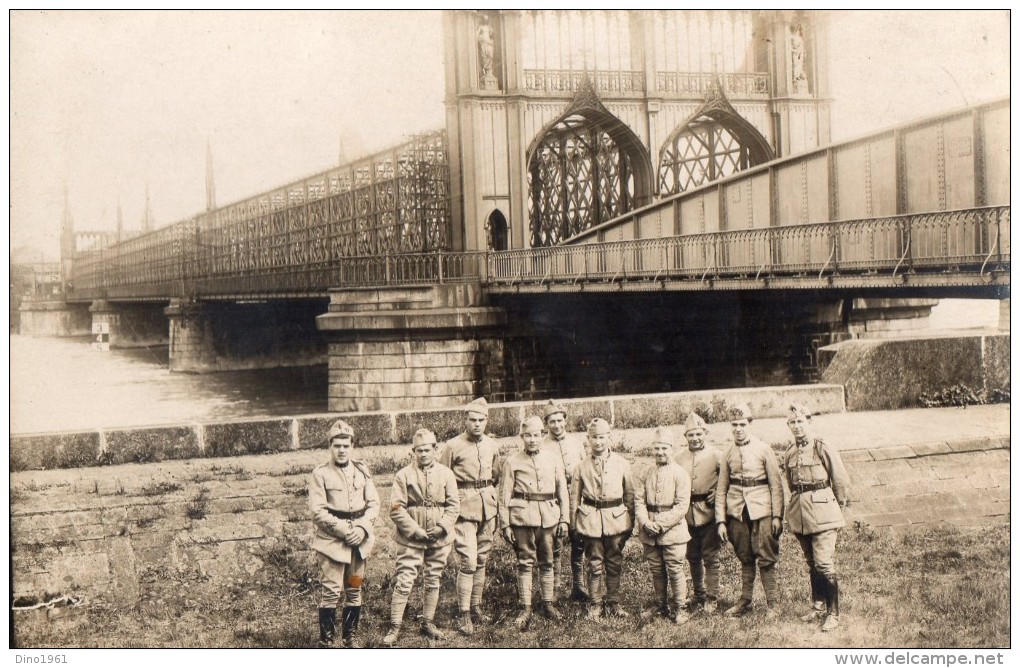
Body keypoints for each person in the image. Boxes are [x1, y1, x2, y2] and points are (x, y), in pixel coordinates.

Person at [382, 428, 460, 647]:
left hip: (438, 536)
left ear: (435, 449)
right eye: (419, 450)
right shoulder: (403, 475)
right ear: (413, 451)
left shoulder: (446, 474)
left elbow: (454, 505)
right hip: (411, 537)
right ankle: (395, 625)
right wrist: (415, 530)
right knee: (405, 579)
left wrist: (442, 526)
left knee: (433, 577)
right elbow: (396, 508)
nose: (424, 454)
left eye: (428, 450)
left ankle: (427, 622)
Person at [308, 419, 380, 648]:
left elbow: (374, 503)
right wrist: (345, 531)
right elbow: (317, 512)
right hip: (332, 542)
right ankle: (327, 642)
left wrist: (361, 528)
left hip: (359, 542)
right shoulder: (320, 474)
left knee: (355, 587)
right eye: (337, 445)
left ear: (352, 446)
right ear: (329, 446)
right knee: (330, 592)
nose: (341, 450)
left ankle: (350, 639)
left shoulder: (362, 470)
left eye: (346, 445)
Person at [782, 404, 851, 632]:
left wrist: (838, 508)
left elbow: (839, 478)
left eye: (800, 421)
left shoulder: (822, 446)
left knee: (824, 563)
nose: (797, 426)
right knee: (811, 563)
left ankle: (833, 613)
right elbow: (792, 484)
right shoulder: (790, 452)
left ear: (809, 422)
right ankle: (818, 605)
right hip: (801, 513)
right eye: (792, 422)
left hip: (824, 512)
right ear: (788, 425)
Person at [498, 415, 571, 629]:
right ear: (522, 437)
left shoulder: (553, 459)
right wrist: (505, 524)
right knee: (525, 562)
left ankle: (548, 603)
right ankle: (526, 606)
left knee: (547, 561)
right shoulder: (512, 462)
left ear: (542, 435)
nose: (532, 440)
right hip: (522, 518)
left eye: (536, 435)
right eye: (528, 435)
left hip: (549, 518)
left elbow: (562, 493)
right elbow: (504, 496)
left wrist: (564, 519)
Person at [438, 397, 501, 636]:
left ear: (487, 420)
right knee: (468, 561)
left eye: (481, 420)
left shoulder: (492, 446)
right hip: (463, 508)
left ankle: (475, 606)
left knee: (482, 559)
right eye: (472, 420)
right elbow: (443, 477)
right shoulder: (452, 446)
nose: (477, 424)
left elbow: (495, 475)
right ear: (465, 420)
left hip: (487, 506)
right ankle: (463, 613)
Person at [715, 404, 785, 617]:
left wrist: (776, 516)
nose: (738, 429)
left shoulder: (764, 449)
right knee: (745, 555)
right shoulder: (727, 452)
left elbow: (776, 485)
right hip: (737, 509)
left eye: (742, 424)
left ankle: (773, 604)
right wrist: (720, 521)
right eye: (734, 425)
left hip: (762, 509)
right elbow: (721, 488)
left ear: (750, 424)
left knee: (765, 554)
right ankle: (745, 600)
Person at [570, 417, 635, 619]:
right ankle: (595, 603)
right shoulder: (580, 467)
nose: (598, 442)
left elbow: (630, 495)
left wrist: (630, 522)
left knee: (614, 562)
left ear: (609, 437)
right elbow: (574, 497)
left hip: (616, 520)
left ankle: (613, 601)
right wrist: (574, 524)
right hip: (590, 521)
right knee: (594, 562)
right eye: (594, 438)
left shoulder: (622, 464)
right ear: (587, 439)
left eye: (602, 437)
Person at [634, 428, 692, 624]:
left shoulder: (680, 474)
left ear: (672, 449)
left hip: (673, 531)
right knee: (656, 569)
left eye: (664, 448)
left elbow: (682, 506)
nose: (660, 452)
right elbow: (639, 501)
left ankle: (680, 607)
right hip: (649, 530)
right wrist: (644, 522)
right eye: (657, 448)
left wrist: (659, 525)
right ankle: (661, 605)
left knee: (675, 568)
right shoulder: (645, 472)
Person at [542, 400, 589, 602]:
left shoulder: (576, 443)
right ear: (546, 423)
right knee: (556, 544)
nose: (557, 425)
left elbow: (586, 470)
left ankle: (579, 586)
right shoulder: (542, 445)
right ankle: (556, 588)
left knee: (579, 542)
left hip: (577, 498)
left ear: (566, 420)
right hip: (554, 500)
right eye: (552, 421)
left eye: (560, 420)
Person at [676, 412, 723, 614]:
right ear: (685, 436)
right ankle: (699, 593)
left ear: (705, 433)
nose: (695, 438)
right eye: (690, 435)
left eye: (698, 434)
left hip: (710, 513)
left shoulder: (717, 455)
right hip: (686, 515)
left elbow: (728, 480)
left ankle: (712, 597)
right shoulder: (678, 458)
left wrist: (719, 492)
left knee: (711, 556)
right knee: (692, 556)